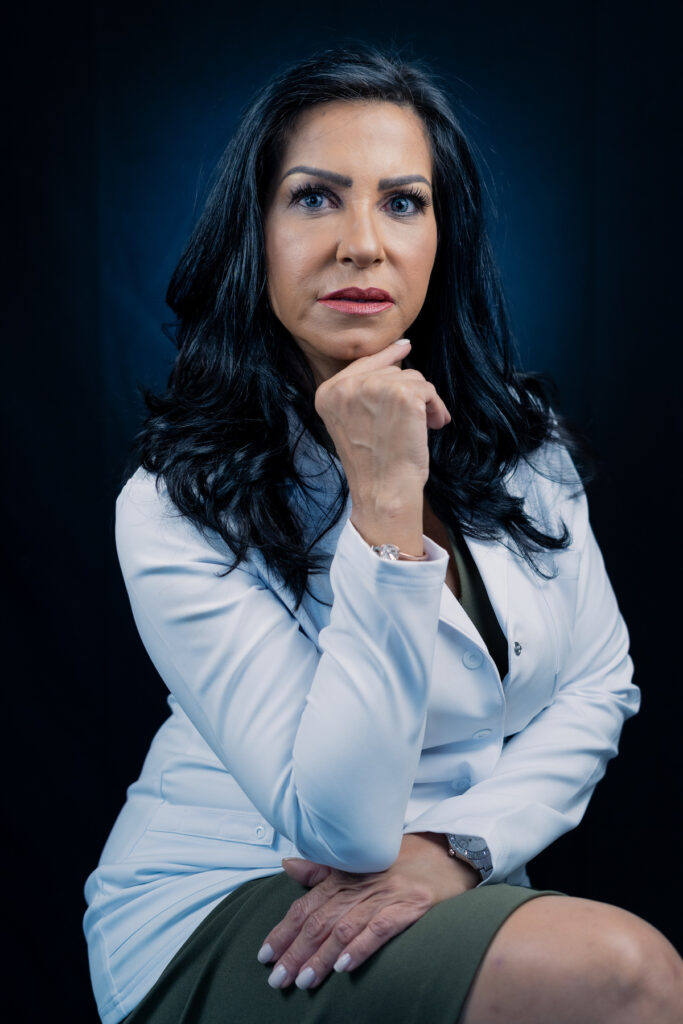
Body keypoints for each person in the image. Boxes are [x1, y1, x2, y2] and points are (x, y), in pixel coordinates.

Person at [83, 46, 682, 1024]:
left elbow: (596, 686)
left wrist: (456, 851)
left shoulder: (521, 444)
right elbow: (341, 828)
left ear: (443, 236)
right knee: (627, 974)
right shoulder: (175, 501)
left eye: (402, 202)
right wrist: (384, 505)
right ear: (254, 233)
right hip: (236, 899)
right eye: (314, 198)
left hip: (453, 886)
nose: (361, 244)